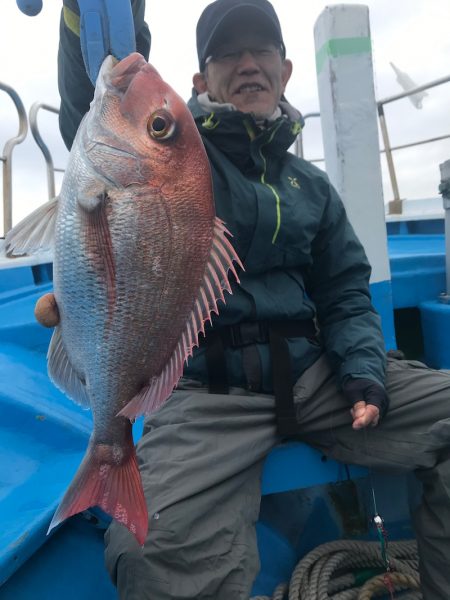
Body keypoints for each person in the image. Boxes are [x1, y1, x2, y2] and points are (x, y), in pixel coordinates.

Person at [51, 0, 450, 598]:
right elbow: (96, 102)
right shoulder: (184, 158)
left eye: (261, 50)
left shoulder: (311, 186)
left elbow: (345, 292)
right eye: (226, 53)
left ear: (285, 70)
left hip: (318, 380)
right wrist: (99, 20)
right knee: (153, 557)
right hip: (205, 392)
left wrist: (364, 371)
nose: (247, 65)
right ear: (198, 81)